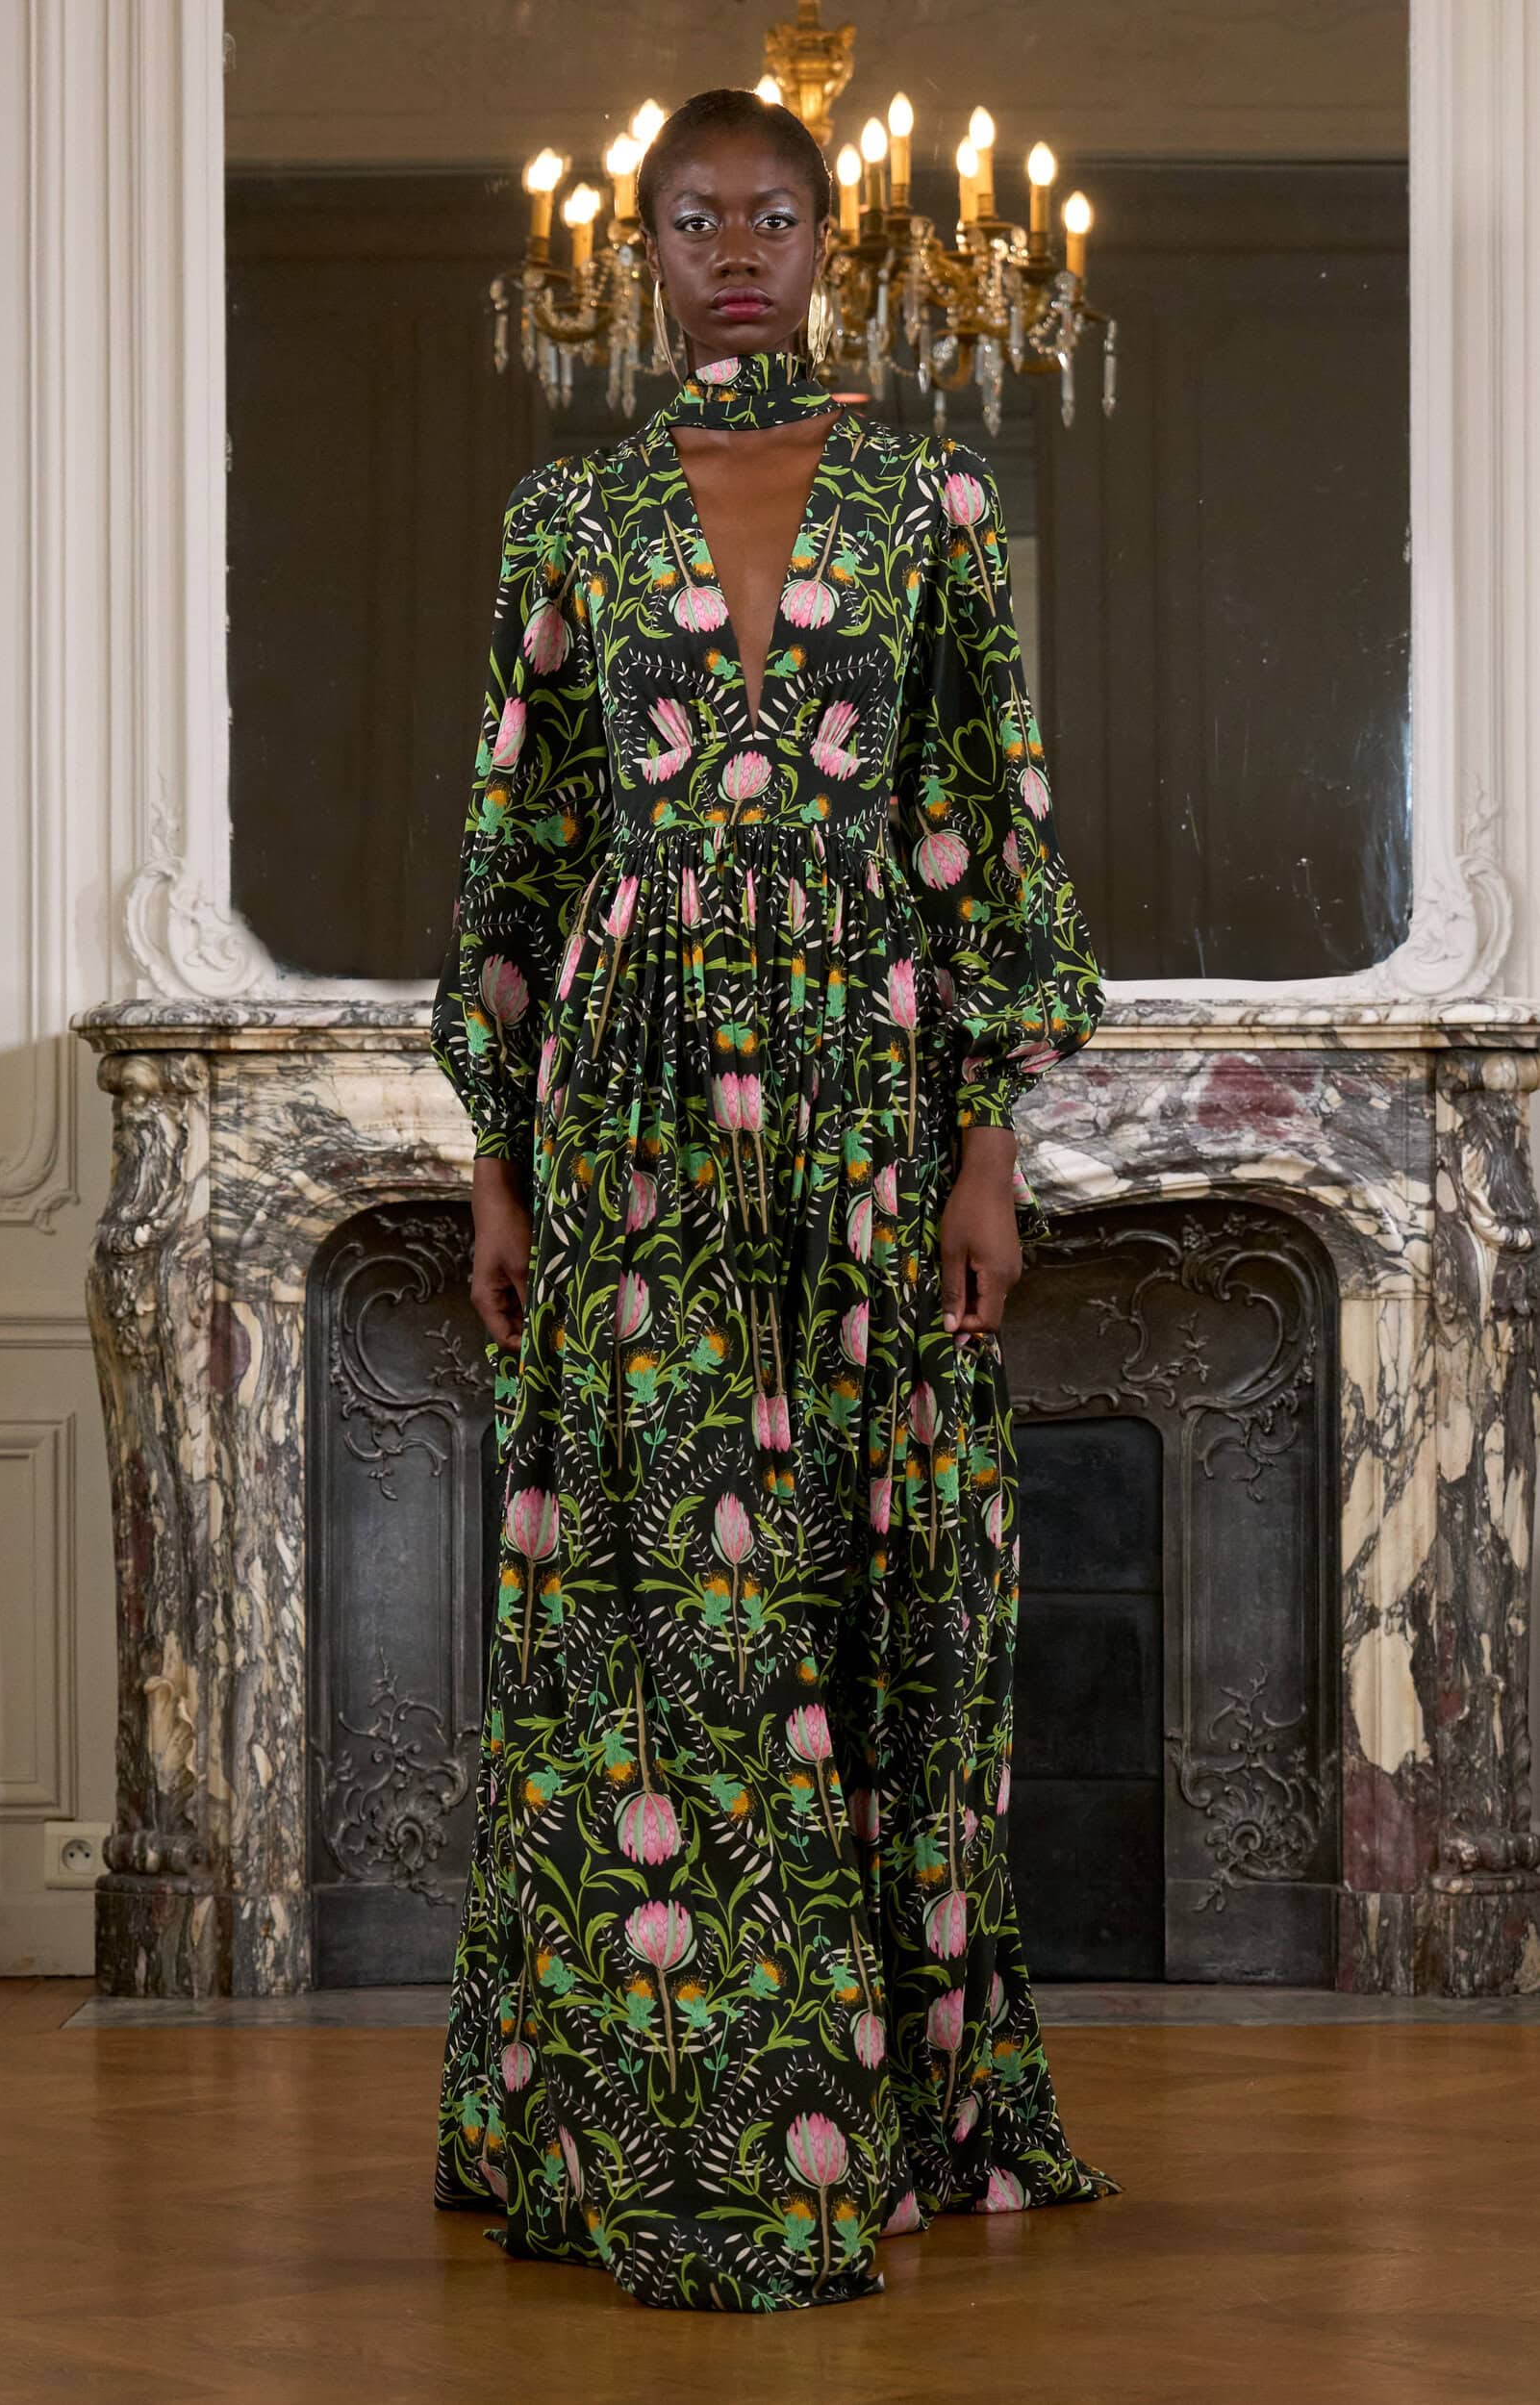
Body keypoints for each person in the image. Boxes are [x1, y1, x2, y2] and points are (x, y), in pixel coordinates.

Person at [428, 84, 1119, 2312]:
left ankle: (876, 2098)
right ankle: (673, 2115)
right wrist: (496, 1154)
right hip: (625, 1105)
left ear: (833, 244)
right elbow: (523, 849)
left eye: (778, 215)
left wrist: (988, 1140)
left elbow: (986, 824)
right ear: (640, 253)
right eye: (696, 218)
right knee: (664, 1598)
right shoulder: (570, 516)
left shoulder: (932, 500)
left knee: (853, 1566)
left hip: (867, 1100)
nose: (738, 249)